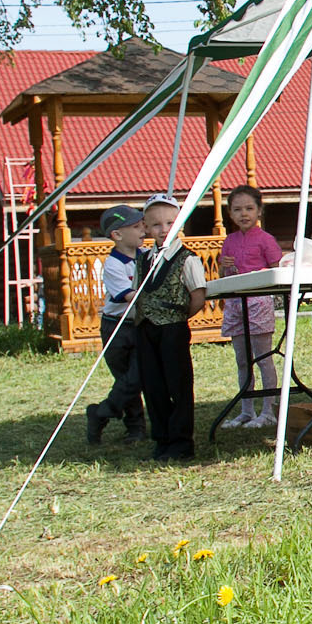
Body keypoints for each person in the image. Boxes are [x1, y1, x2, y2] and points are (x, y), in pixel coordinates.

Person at [133, 195, 206, 462]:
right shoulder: (143, 260)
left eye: (169, 223)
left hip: (173, 328)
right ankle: (161, 437)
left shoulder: (187, 259)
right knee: (153, 384)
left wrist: (177, 317)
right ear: (146, 227)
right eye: (156, 225)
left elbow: (197, 295)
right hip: (145, 328)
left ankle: (181, 441)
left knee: (178, 384)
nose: (164, 230)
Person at [216, 185, 283, 429]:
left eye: (249, 208)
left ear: (259, 211)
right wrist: (224, 265)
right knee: (242, 360)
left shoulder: (266, 239)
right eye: (237, 209)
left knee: (264, 358)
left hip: (258, 303)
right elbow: (224, 275)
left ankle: (269, 410)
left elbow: (278, 268)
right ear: (230, 213)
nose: (244, 214)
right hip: (235, 303)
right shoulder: (229, 241)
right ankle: (246, 409)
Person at [84, 204, 147, 444]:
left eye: (142, 225)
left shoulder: (146, 257)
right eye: (135, 226)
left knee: (136, 377)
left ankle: (101, 412)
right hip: (116, 328)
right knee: (125, 379)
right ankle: (135, 428)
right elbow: (131, 296)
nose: (143, 230)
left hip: (138, 324)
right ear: (117, 235)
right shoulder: (113, 265)